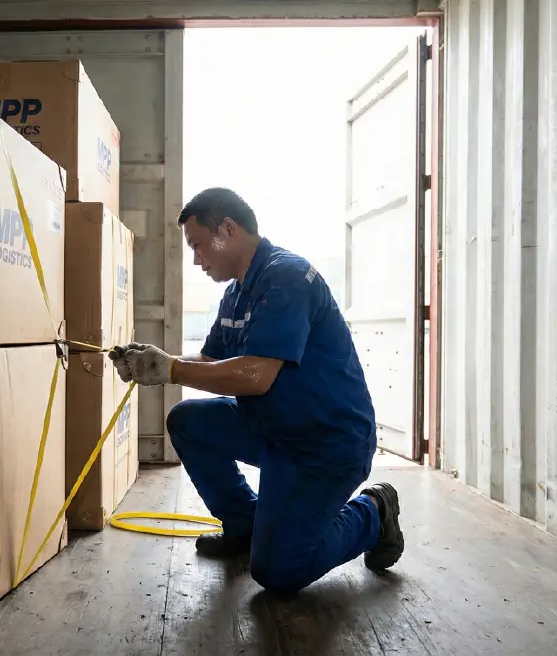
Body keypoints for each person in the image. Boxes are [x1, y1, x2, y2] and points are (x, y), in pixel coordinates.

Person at [109, 187, 403, 594]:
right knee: (188, 420)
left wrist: (170, 369)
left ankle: (374, 512)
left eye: (198, 245)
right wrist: (153, 360)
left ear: (227, 230)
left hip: (326, 445)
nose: (196, 260)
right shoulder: (236, 293)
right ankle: (245, 524)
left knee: (279, 571)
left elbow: (256, 376)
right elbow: (212, 362)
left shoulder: (285, 278)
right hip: (275, 430)